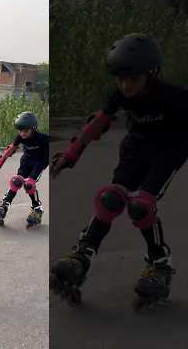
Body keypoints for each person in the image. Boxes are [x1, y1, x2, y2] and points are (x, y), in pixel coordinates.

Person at [50, 33, 188, 306]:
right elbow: (97, 123)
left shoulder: (174, 97)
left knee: (141, 205)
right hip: (135, 149)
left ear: (151, 73)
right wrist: (70, 154)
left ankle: (159, 263)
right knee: (110, 198)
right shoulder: (120, 94)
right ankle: (82, 253)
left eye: (132, 79)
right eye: (120, 79)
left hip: (168, 151)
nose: (125, 86)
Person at [0, 112, 49, 228]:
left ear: (33, 129)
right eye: (20, 130)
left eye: (25, 131)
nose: (22, 133)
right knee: (16, 181)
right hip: (26, 161)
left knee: (29, 184)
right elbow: (10, 149)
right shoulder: (20, 137)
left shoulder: (43, 139)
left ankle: (37, 208)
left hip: (39, 162)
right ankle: (4, 206)